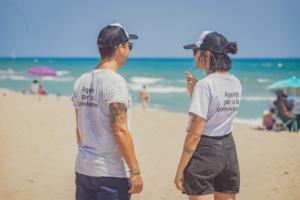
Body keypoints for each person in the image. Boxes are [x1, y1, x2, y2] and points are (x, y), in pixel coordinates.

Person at [72, 23, 143, 200]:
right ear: (120, 48)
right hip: (110, 173)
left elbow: (79, 129)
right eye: (129, 46)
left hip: (84, 169)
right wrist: (135, 171)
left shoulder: (82, 80)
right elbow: (120, 129)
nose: (129, 50)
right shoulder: (115, 82)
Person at [174, 31, 242, 200]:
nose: (193, 56)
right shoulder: (235, 81)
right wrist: (195, 94)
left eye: (195, 52)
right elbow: (218, 113)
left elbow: (196, 133)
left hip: (206, 149)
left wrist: (180, 169)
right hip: (228, 148)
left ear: (207, 54)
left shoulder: (205, 86)